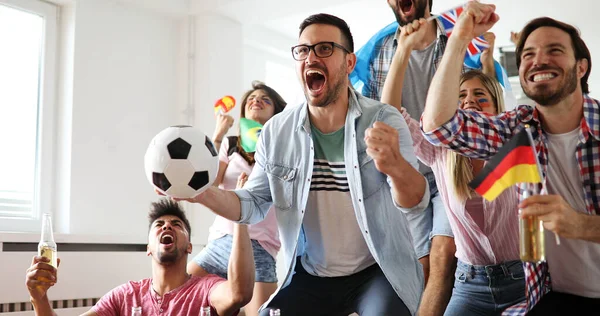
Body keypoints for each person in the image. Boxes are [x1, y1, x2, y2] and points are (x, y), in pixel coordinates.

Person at [178, 13, 429, 316]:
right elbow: (252, 204)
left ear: (349, 63)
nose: (311, 57)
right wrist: (199, 192)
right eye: (303, 50)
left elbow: (416, 201)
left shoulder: (383, 119)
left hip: (377, 271)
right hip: (310, 275)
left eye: (324, 49)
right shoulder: (276, 132)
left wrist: (396, 167)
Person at [421, 2, 600, 315]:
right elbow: (438, 127)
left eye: (554, 50)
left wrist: (582, 226)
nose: (538, 60)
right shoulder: (519, 129)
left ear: (581, 67)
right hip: (547, 296)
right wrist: (460, 38)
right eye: (528, 54)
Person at [380, 19, 525, 314]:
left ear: (498, 109)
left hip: (522, 280)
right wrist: (403, 50)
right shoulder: (439, 151)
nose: (469, 101)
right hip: (470, 285)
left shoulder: (513, 142)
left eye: (479, 97)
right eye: (461, 98)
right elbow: (390, 114)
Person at [356, 1, 462, 313]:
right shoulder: (381, 48)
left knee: (443, 254)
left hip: (448, 167)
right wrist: (403, 51)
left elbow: (474, 101)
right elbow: (383, 119)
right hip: (403, 174)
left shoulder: (457, 38)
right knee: (421, 266)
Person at [25, 199, 255, 316]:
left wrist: (241, 219)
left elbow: (239, 294)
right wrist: (39, 297)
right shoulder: (125, 296)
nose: (167, 226)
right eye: (159, 225)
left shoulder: (206, 289)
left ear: (189, 247)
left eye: (176, 225)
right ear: (149, 247)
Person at [191, 81, 286, 316]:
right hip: (221, 241)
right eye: (252, 98)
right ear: (243, 109)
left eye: (266, 99)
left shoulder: (283, 149)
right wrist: (218, 135)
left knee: (264, 314)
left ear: (276, 112)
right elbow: (210, 183)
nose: (257, 101)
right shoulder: (230, 144)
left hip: (260, 247)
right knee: (181, 299)